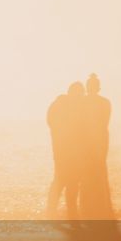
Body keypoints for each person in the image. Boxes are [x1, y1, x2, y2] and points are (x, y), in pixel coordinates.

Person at [46, 82, 86, 218]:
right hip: (65, 152)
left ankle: (58, 212)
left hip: (67, 152)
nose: (82, 95)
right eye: (80, 92)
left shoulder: (61, 105)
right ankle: (65, 213)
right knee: (66, 182)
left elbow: (51, 123)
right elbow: (53, 124)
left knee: (67, 182)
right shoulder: (64, 105)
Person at [79, 72, 114, 218]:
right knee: (99, 171)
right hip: (100, 140)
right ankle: (103, 206)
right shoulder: (105, 102)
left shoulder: (82, 103)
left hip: (89, 141)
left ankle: (87, 207)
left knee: (86, 172)